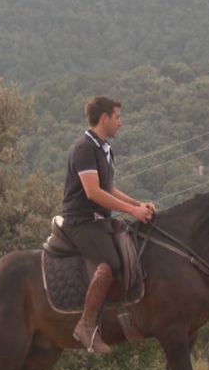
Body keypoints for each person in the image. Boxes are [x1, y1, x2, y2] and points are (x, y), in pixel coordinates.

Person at [62, 96, 156, 352]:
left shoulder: (104, 149)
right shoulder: (84, 148)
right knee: (111, 264)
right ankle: (86, 324)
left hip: (100, 221)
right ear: (104, 118)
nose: (120, 123)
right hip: (80, 222)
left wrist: (139, 204)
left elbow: (110, 188)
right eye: (117, 117)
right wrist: (131, 211)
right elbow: (93, 192)